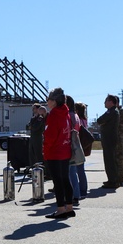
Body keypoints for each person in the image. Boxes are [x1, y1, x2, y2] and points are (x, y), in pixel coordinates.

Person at [43, 88, 74, 219]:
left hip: (54, 152)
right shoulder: (66, 113)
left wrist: (44, 148)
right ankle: (69, 207)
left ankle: (61, 208)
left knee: (58, 182)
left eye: (48, 99)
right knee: (65, 179)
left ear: (54, 101)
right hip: (65, 150)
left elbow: (50, 135)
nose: (47, 102)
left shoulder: (54, 114)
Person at [96, 94, 121, 189]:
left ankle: (113, 181)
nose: (104, 103)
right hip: (108, 138)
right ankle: (112, 179)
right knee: (109, 160)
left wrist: (103, 122)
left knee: (110, 160)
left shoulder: (112, 112)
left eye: (106, 101)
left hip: (109, 139)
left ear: (111, 102)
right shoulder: (112, 111)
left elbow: (100, 120)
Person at [66, 96, 87, 203]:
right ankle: (77, 194)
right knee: (74, 171)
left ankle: (74, 195)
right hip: (76, 145)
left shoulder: (69, 116)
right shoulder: (76, 116)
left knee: (71, 172)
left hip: (69, 145)